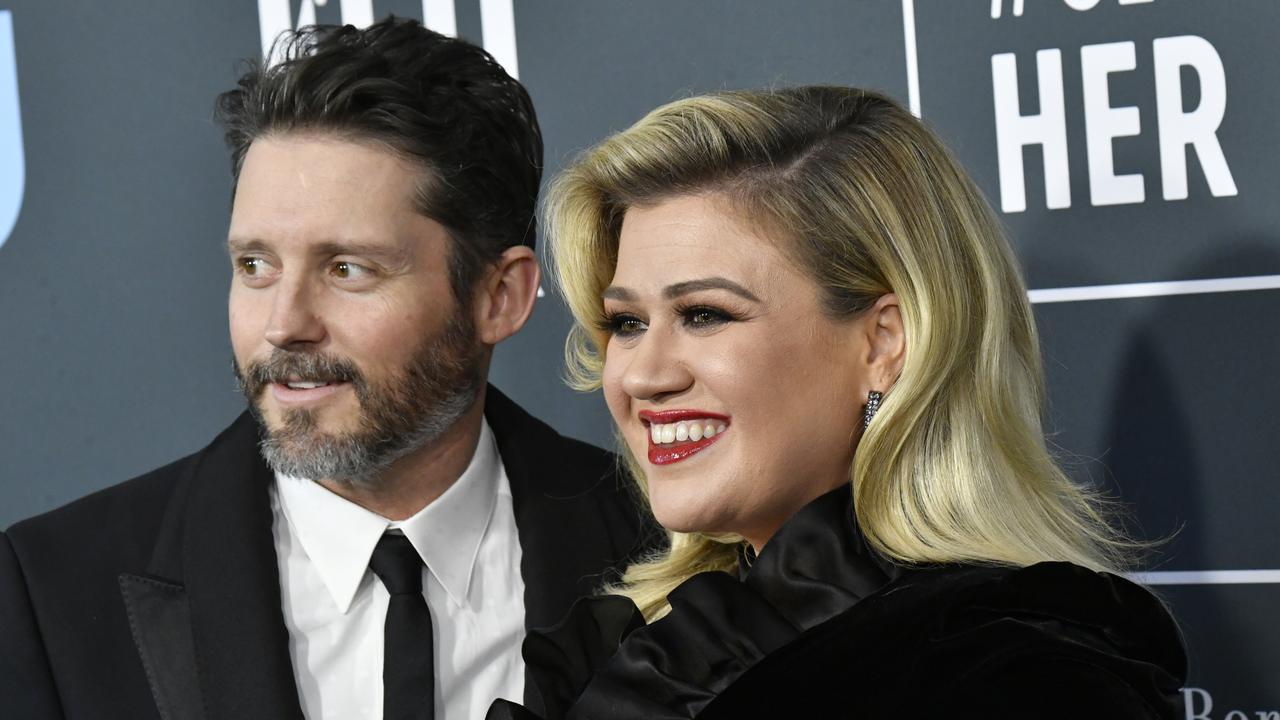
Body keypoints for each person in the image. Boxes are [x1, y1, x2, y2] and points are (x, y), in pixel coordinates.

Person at [0, 18, 652, 720]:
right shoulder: (53, 591)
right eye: (255, 265)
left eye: (347, 269)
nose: (284, 324)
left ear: (500, 297)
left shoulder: (665, 554)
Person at [487, 86, 1186, 720]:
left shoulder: (1018, 677)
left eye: (704, 314)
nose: (643, 375)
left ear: (884, 343)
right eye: (627, 324)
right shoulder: (632, 650)